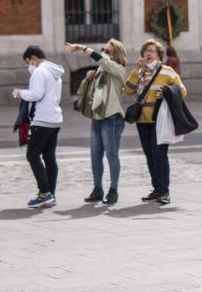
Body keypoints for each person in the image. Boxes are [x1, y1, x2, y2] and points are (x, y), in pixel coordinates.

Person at [124, 39, 186, 205]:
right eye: (146, 51)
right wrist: (136, 70)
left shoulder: (167, 71)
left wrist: (165, 91)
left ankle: (164, 191)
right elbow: (128, 90)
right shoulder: (141, 72)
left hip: (160, 120)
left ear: (158, 54)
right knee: (150, 155)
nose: (148, 53)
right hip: (142, 120)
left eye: (151, 50)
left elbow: (182, 91)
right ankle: (156, 189)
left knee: (159, 155)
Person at [67, 40, 128, 204]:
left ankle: (113, 190)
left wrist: (82, 48)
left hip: (112, 119)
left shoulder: (119, 69)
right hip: (97, 119)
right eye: (103, 50)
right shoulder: (101, 70)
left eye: (107, 51)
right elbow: (93, 94)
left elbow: (104, 62)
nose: (103, 53)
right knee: (95, 156)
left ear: (115, 54)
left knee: (111, 155)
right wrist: (89, 80)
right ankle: (98, 189)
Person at [14, 46, 65, 209]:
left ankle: (44, 193)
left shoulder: (39, 71)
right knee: (49, 156)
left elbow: (36, 94)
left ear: (33, 58)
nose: (29, 66)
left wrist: (20, 93)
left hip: (43, 119)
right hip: (55, 118)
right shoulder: (54, 71)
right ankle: (51, 194)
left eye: (28, 62)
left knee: (32, 155)